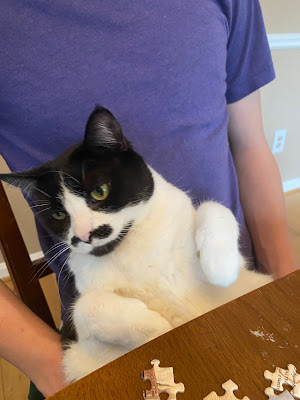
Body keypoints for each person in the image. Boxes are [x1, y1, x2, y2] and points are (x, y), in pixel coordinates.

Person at [0, 0, 298, 398]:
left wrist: (285, 291)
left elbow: (249, 144)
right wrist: (55, 369)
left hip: (225, 292)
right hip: (107, 337)